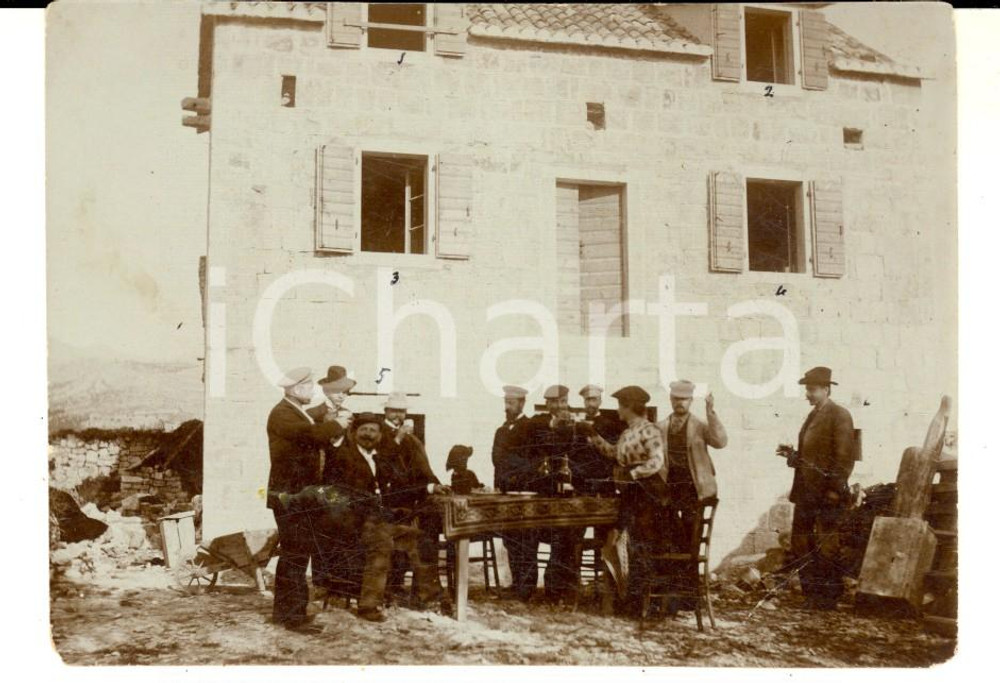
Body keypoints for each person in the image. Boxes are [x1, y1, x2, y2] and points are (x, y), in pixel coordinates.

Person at [320, 412, 447, 621]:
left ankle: (428, 598)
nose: (368, 434)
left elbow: (398, 488)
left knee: (420, 539)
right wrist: (369, 508)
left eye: (373, 430)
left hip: (378, 522)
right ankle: (368, 606)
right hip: (351, 524)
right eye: (364, 430)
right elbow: (336, 494)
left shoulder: (379, 459)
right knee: (381, 542)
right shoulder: (342, 457)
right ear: (354, 432)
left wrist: (431, 487)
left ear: (380, 435)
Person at [265, 366, 349, 633]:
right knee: (296, 556)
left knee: (295, 556)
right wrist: (338, 424)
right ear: (297, 388)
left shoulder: (294, 411)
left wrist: (329, 423)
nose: (313, 390)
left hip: (295, 498)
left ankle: (286, 612)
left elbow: (312, 434)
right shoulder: (282, 413)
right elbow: (310, 434)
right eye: (310, 386)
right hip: (290, 498)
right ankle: (293, 617)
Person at [579, 385, 666, 616]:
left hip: (648, 495)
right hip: (631, 495)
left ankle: (647, 604)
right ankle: (630, 599)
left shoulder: (650, 430)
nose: (617, 410)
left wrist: (633, 474)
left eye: (620, 406)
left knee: (642, 544)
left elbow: (656, 461)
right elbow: (613, 453)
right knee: (624, 543)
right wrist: (593, 435)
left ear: (629, 407)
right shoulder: (628, 432)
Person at [777, 366, 856, 610]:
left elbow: (844, 457)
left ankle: (828, 598)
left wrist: (835, 490)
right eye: (807, 389)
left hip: (826, 494)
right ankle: (811, 595)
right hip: (805, 493)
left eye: (812, 390)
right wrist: (792, 456)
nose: (807, 394)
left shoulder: (839, 415)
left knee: (826, 544)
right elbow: (813, 457)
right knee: (802, 543)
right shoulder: (813, 416)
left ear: (826, 389)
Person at [654, 380, 728, 613]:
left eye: (684, 399)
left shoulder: (700, 426)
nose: (680, 403)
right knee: (668, 542)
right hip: (669, 492)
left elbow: (720, 441)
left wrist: (711, 412)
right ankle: (671, 598)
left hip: (694, 492)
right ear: (670, 400)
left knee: (690, 543)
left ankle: (690, 597)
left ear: (691, 401)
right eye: (676, 399)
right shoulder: (661, 427)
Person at [377, 392, 451, 606]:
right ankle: (401, 589)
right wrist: (398, 438)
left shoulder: (412, 438)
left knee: (425, 536)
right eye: (394, 411)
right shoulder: (379, 433)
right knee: (408, 543)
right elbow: (385, 468)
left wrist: (435, 485)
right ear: (386, 411)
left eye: (401, 411)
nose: (398, 415)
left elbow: (422, 468)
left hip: (412, 498)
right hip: (390, 501)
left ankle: (420, 592)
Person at [526, 384, 591, 605]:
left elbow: (581, 455)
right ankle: (551, 589)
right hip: (546, 491)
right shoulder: (538, 423)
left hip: (570, 492)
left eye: (563, 401)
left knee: (570, 537)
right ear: (548, 404)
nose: (560, 406)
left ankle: (566, 589)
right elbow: (538, 448)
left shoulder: (576, 425)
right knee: (551, 536)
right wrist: (554, 427)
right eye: (555, 402)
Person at [306, 365, 357, 594]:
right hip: (320, 479)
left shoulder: (350, 416)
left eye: (345, 392)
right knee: (322, 531)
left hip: (344, 480)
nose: (341, 395)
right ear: (326, 390)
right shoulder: (313, 415)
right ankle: (321, 582)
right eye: (337, 391)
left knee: (343, 531)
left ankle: (341, 582)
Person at [491, 385, 539, 601]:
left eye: (511, 403)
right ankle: (516, 583)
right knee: (510, 539)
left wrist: (514, 472)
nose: (507, 407)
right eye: (506, 403)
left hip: (524, 491)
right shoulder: (501, 431)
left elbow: (533, 460)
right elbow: (495, 459)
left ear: (522, 403)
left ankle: (527, 588)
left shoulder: (530, 428)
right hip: (506, 492)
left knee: (526, 539)